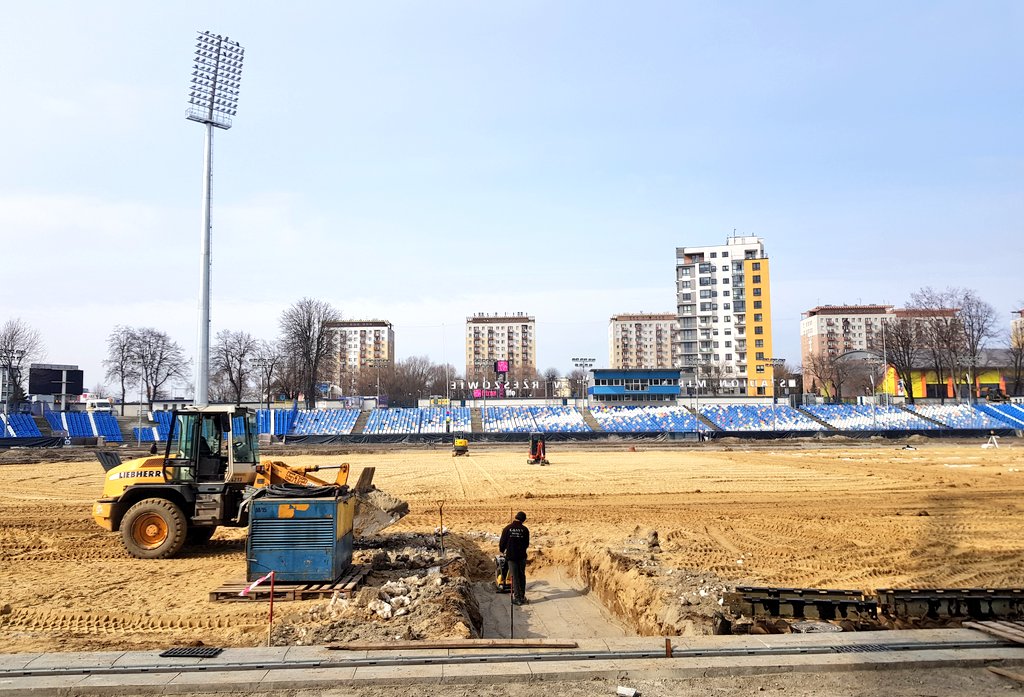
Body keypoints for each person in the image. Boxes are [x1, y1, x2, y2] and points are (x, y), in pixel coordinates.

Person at [499, 511, 530, 605]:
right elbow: (526, 544)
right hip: (521, 556)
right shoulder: (525, 529)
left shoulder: (507, 528)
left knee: (514, 577)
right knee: (521, 576)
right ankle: (522, 596)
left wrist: (502, 550)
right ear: (523, 520)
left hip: (511, 556)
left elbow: (502, 543)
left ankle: (517, 598)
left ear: (515, 517)